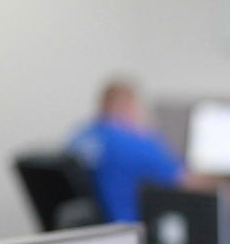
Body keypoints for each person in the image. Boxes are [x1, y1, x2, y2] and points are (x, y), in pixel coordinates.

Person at [66, 79, 213, 222]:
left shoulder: (80, 136)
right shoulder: (133, 143)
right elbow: (186, 181)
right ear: (127, 106)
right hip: (127, 227)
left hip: (94, 229)